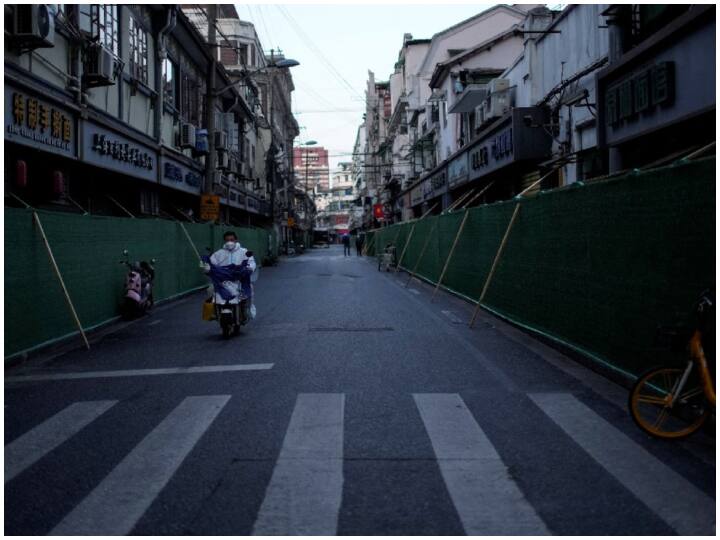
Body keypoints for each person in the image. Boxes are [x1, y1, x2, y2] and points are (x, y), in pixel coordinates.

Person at [204, 231, 257, 332]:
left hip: (239, 281)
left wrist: (249, 268)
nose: (229, 242)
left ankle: (247, 311)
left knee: (250, 289)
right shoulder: (218, 253)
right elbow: (211, 264)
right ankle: (213, 313)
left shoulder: (244, 252)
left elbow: (251, 262)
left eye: (231, 240)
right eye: (227, 240)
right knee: (210, 290)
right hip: (222, 281)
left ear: (236, 240)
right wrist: (206, 267)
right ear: (224, 241)